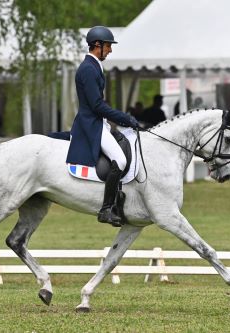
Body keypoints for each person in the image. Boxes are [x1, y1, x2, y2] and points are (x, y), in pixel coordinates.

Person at [66, 26, 139, 227]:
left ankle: (119, 202)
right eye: (108, 46)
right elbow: (97, 105)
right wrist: (125, 118)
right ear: (97, 45)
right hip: (91, 124)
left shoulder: (94, 65)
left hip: (98, 122)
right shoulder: (88, 68)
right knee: (120, 160)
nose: (110, 50)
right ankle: (106, 209)